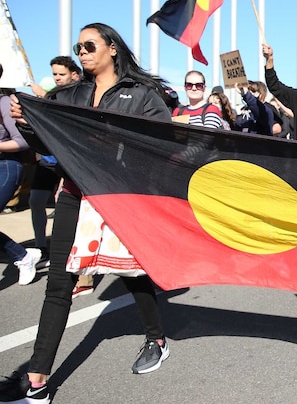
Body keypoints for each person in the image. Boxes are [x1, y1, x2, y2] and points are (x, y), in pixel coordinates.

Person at [0, 23, 175, 404]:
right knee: (59, 285)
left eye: (90, 44)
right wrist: (29, 123)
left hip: (119, 200)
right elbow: (45, 144)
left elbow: (163, 146)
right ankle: (37, 380)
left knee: (131, 273)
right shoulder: (70, 95)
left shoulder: (142, 95)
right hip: (74, 196)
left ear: (112, 48)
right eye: (78, 46)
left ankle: (156, 338)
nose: (82, 51)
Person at [29, 56, 82, 268]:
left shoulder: (78, 97)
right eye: (55, 74)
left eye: (62, 74)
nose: (58, 78)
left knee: (66, 208)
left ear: (74, 75)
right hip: (47, 161)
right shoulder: (50, 96)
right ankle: (41, 247)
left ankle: (70, 253)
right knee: (35, 201)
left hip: (67, 164)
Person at [0, 78, 40, 286]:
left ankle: (23, 257)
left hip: (5, 167)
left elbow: (22, 141)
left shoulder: (4, 101)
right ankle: (23, 255)